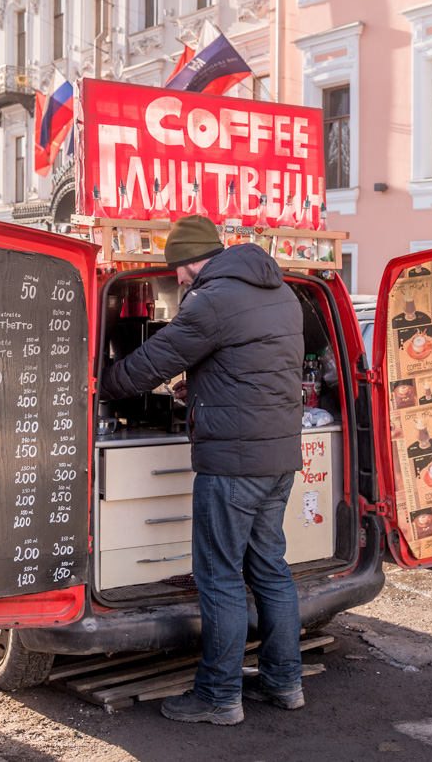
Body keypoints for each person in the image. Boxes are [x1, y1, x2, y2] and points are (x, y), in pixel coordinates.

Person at [99, 215, 305, 726]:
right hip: (277, 458)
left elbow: (150, 363)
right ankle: (285, 682)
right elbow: (255, 368)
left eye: (179, 272)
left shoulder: (210, 299)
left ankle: (218, 696)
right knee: (271, 571)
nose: (179, 281)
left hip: (233, 464)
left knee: (219, 578)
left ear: (193, 261)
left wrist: (96, 382)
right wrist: (207, 388)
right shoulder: (277, 291)